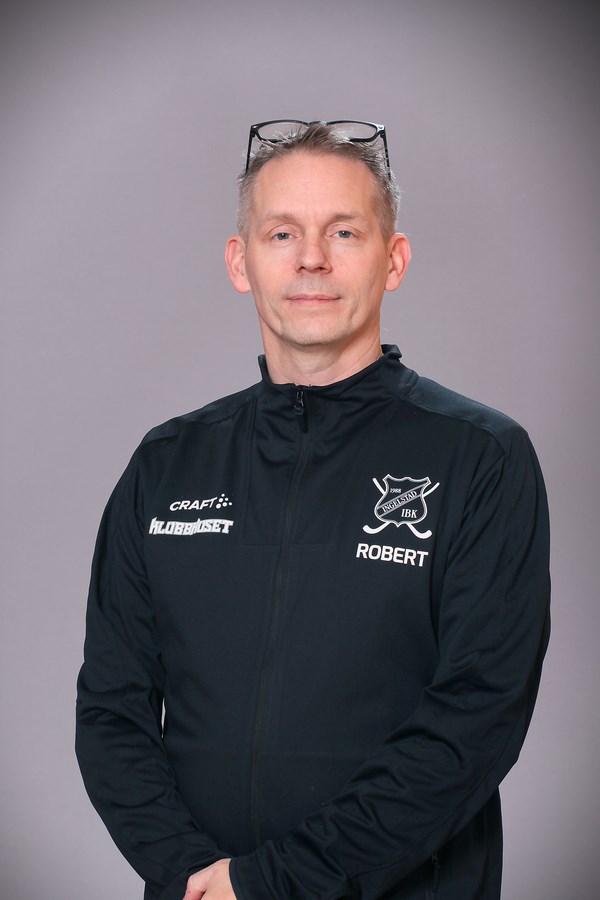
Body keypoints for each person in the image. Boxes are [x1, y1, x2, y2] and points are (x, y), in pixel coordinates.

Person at [76, 120, 550, 900]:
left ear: (394, 259)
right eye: (282, 233)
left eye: (344, 231)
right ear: (241, 262)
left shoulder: (480, 457)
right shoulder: (167, 463)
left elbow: (477, 718)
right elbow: (111, 709)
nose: (311, 259)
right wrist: (192, 875)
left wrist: (271, 883)